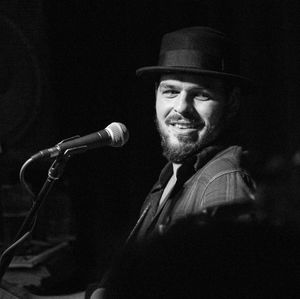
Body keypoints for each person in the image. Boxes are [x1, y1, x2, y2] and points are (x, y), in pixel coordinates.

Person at [2, 26, 257, 299]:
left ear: (231, 103)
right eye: (170, 91)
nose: (181, 107)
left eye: (201, 94)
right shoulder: (171, 178)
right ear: (156, 95)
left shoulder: (222, 182)